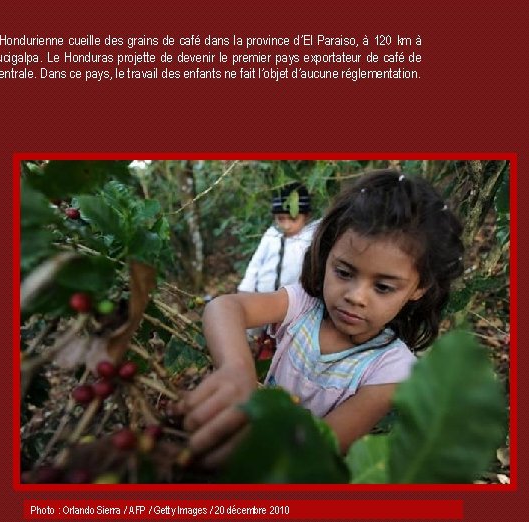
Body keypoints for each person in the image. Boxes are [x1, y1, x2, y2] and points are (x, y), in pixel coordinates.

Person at [174, 170, 464, 467]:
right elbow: (224, 307)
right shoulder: (303, 305)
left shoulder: (392, 371)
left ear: (419, 288)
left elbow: (321, 445)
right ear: (326, 257)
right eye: (344, 272)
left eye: (383, 287)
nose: (356, 296)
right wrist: (237, 370)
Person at [238, 183, 319, 295]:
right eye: (281, 219)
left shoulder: (310, 237)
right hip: (263, 296)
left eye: (293, 219)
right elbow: (256, 263)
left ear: (306, 216)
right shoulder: (271, 235)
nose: (286, 225)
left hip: (293, 300)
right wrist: (246, 288)